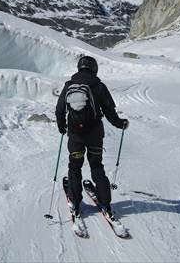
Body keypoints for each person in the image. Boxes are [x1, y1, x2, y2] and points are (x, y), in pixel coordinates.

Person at [55, 55, 129, 219]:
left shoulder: (69, 85)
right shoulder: (99, 86)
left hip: (75, 135)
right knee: (96, 166)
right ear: (94, 69)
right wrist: (120, 124)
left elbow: (59, 110)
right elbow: (110, 111)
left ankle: (75, 201)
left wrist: (62, 127)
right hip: (95, 135)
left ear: (79, 68)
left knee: (75, 167)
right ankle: (105, 202)